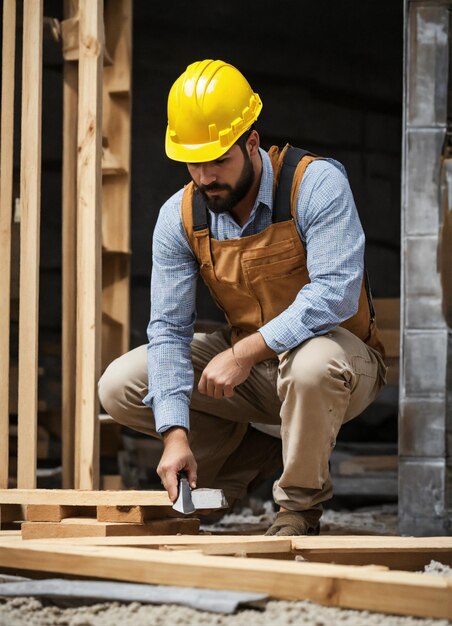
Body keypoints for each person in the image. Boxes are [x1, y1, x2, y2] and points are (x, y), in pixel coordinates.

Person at [98, 59, 387, 536]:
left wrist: (245, 351)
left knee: (312, 363)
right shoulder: (181, 216)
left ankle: (298, 507)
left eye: (218, 160)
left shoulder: (314, 185)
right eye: (194, 162)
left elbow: (335, 294)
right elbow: (168, 330)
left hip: (340, 365)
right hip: (254, 373)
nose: (206, 176)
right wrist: (174, 435)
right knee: (121, 383)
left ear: (251, 142)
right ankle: (249, 458)